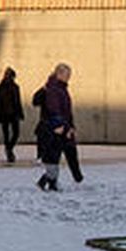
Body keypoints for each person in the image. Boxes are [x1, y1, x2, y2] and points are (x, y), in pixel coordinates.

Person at [34, 63, 81, 191]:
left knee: (58, 155)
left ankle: (47, 182)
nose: (69, 77)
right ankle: (50, 183)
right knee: (53, 157)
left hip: (61, 127)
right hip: (54, 128)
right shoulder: (53, 89)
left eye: (69, 75)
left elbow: (66, 111)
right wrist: (62, 126)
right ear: (59, 74)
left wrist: (71, 126)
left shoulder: (61, 88)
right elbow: (54, 110)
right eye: (67, 75)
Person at [0, 67, 24, 163]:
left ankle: (9, 149)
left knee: (16, 133)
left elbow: (18, 101)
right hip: (5, 114)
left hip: (13, 113)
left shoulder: (15, 87)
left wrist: (20, 113)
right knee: (7, 135)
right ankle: (9, 153)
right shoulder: (1, 87)